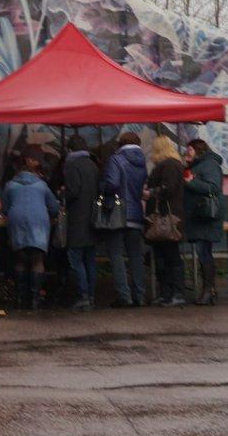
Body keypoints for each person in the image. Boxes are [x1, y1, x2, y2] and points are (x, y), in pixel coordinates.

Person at [0, 149, 60, 312]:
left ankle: (20, 299)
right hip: (39, 221)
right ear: (34, 173)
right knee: (37, 260)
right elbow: (54, 208)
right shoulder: (42, 185)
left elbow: (4, 208)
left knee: (20, 259)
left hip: (17, 220)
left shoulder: (10, 185)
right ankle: (34, 300)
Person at [101, 130, 149, 307]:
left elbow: (112, 184)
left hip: (117, 213)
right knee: (135, 255)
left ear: (121, 143)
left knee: (116, 254)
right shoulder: (142, 162)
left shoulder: (116, 159)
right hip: (136, 213)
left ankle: (124, 296)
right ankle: (140, 295)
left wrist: (101, 186)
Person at [143, 135, 188, 306]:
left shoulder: (168, 165)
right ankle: (168, 293)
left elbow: (168, 188)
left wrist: (151, 193)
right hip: (168, 216)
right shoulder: (173, 164)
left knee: (170, 255)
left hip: (166, 217)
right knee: (164, 255)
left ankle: (175, 293)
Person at [183, 138, 225, 305]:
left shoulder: (209, 165)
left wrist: (190, 182)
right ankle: (209, 290)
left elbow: (213, 187)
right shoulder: (199, 164)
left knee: (204, 253)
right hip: (199, 216)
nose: (187, 153)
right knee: (203, 252)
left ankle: (208, 290)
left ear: (198, 150)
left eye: (190, 150)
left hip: (206, 216)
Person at [61, 146, 102, 311]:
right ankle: (91, 296)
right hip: (92, 219)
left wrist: (63, 194)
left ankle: (83, 295)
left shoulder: (72, 166)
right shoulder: (93, 165)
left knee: (75, 259)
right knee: (90, 260)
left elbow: (73, 191)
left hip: (77, 220)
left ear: (70, 150)